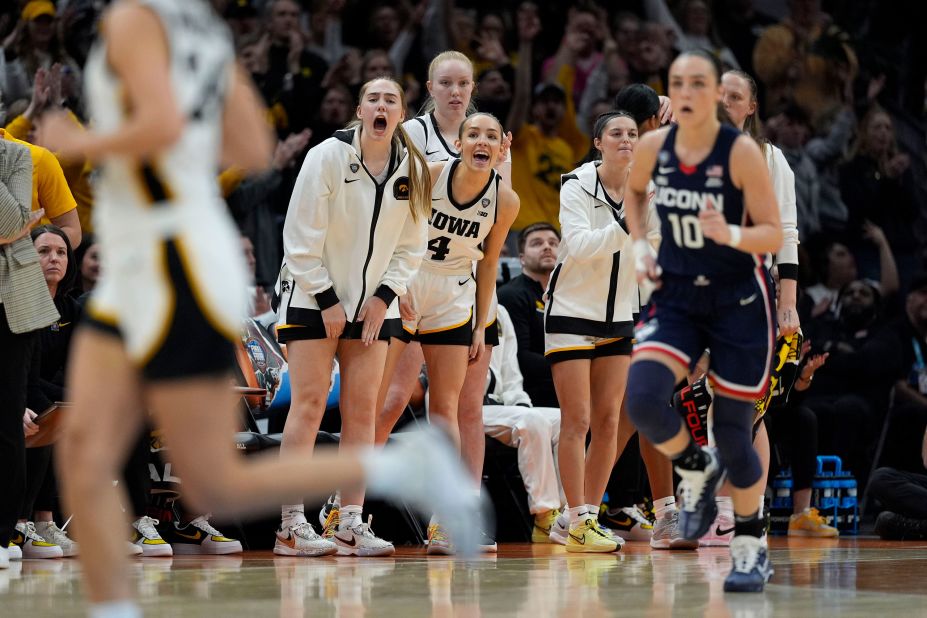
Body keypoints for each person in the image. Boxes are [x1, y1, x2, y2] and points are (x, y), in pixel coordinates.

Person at [37, 3, 480, 614]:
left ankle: (397, 475)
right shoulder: (207, 42)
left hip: (177, 261)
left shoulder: (139, 24)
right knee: (101, 449)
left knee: (194, 469)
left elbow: (167, 123)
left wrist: (79, 139)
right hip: (165, 260)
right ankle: (114, 605)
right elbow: (250, 145)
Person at [623, 51, 782, 591]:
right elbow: (635, 191)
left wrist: (730, 235)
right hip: (678, 296)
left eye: (700, 83)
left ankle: (749, 546)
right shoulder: (652, 147)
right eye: (679, 83)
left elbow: (773, 234)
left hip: (739, 300)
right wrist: (640, 241)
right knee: (643, 398)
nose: (689, 92)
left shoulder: (742, 153)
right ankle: (693, 467)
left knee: (735, 433)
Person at [273, 75, 437, 558]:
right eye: (373, 99)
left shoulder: (414, 168)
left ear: (401, 114)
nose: (381, 106)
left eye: (391, 100)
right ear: (360, 110)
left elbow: (413, 245)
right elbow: (299, 237)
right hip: (311, 297)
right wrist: (327, 301)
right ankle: (289, 524)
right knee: (308, 405)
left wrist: (385, 296)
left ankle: (348, 522)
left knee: (362, 413)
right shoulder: (327, 155)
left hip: (373, 308)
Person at [367, 51, 512, 552]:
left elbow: (492, 251)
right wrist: (393, 283)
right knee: (386, 403)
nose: (455, 91)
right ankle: (347, 509)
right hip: (409, 280)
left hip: (459, 291)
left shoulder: (501, 184)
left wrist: (482, 319)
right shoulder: (419, 150)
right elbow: (390, 219)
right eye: (446, 83)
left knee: (451, 408)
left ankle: (452, 518)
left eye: (464, 83)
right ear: (430, 87)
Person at [544, 111, 644, 553]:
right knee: (578, 418)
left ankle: (580, 518)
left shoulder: (649, 189)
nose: (626, 139)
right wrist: (626, 223)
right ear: (598, 142)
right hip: (570, 310)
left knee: (608, 420)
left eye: (633, 134)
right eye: (617, 133)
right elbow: (580, 246)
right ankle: (579, 517)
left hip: (620, 313)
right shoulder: (576, 184)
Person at [0, 138, 57, 571]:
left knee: (7, 421)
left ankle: (3, 532)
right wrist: (18, 226)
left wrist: (20, 226)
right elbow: (14, 226)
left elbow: (10, 223)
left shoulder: (17, 156)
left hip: (12, 306)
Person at [481, 304, 564, 543]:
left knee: (563, 420)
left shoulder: (499, 312)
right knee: (533, 420)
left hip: (499, 405)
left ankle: (567, 516)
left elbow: (511, 375)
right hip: (463, 408)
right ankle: (544, 515)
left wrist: (520, 404)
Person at [497, 223, 561, 409]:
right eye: (537, 243)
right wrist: (574, 365)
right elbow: (520, 357)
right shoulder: (510, 295)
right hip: (532, 395)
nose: (547, 247)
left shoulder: (572, 294)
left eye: (553, 243)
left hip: (567, 386)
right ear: (522, 259)